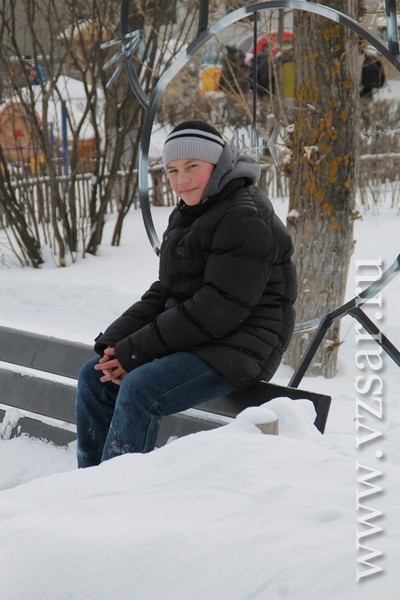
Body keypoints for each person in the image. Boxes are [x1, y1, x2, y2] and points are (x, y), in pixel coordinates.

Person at [75, 120, 297, 468]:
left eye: (192, 166)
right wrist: (115, 343)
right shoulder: (189, 212)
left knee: (140, 389)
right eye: (173, 170)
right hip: (202, 337)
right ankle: (90, 485)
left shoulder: (245, 216)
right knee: (95, 376)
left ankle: (120, 493)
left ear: (218, 164)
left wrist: (135, 352)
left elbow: (217, 309)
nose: (181, 180)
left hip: (241, 345)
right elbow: (166, 290)